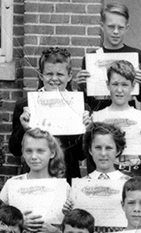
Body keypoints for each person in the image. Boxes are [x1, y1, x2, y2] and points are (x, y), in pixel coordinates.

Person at [9, 47, 85, 180]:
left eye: (60, 74)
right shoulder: (25, 105)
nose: (54, 79)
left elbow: (81, 155)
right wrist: (24, 128)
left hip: (67, 176)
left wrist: (86, 131)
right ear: (40, 75)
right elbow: (15, 149)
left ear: (70, 76)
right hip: (34, 177)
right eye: (49, 74)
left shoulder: (79, 105)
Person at [77, 2, 141, 113]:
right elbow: (87, 102)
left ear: (127, 28)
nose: (116, 32)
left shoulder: (138, 56)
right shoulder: (91, 58)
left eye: (120, 27)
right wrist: (82, 86)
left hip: (128, 114)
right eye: (111, 26)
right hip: (100, 115)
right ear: (102, 26)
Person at [86, 60, 141, 177]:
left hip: (133, 173)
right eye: (115, 84)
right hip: (106, 174)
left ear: (133, 86)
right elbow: (90, 153)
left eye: (125, 84)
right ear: (107, 85)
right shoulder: (97, 116)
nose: (119, 90)